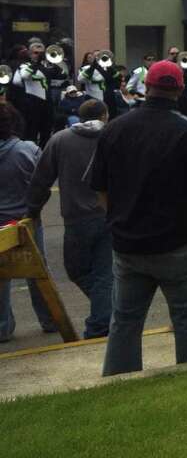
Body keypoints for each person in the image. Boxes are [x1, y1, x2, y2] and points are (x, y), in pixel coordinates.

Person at [87, 61, 187, 375]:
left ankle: (119, 384)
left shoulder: (114, 129)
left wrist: (118, 222)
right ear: (179, 89)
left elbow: (100, 189)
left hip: (128, 248)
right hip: (182, 245)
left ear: (146, 87)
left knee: (124, 322)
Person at [26, 99, 113, 339]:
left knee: (77, 270)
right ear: (104, 115)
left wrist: (33, 209)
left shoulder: (60, 140)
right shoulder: (115, 136)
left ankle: (99, 323)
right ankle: (105, 313)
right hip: (110, 214)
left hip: (77, 218)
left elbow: (41, 179)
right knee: (103, 274)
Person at [0, 102, 58, 341]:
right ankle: (49, 319)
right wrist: (34, 210)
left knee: (1, 277)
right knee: (38, 272)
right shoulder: (28, 149)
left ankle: (2, 327)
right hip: (27, 219)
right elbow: (43, 184)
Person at [13, 43, 54, 147]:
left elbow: (63, 74)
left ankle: (44, 155)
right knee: (31, 131)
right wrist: (37, 63)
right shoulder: (24, 65)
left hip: (47, 102)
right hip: (32, 102)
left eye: (41, 53)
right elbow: (25, 76)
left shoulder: (48, 66)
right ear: (30, 54)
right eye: (36, 53)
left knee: (46, 131)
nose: (38, 55)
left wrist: (53, 63)